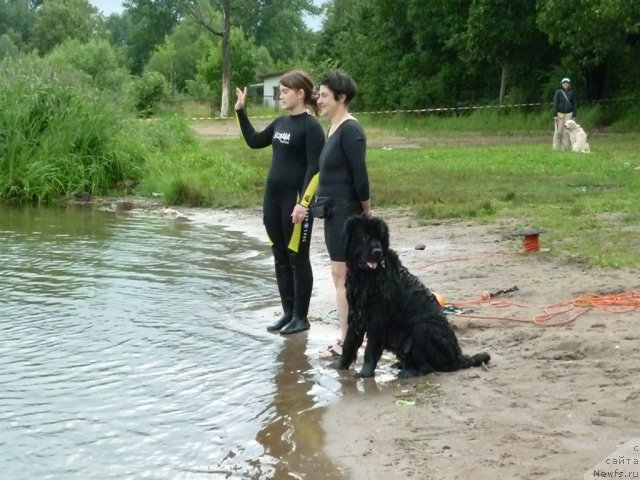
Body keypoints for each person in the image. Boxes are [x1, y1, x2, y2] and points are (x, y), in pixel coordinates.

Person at [235, 70, 325, 335]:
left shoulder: (311, 128)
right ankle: (288, 313)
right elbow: (254, 141)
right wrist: (241, 111)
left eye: (285, 91)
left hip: (296, 204)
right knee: (280, 256)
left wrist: (304, 204)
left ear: (301, 94)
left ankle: (301, 317)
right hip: (272, 202)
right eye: (280, 91)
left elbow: (315, 169)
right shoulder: (279, 123)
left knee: (298, 258)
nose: (280, 95)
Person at [292, 70, 371, 359]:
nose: (319, 100)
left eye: (324, 95)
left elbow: (360, 178)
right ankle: (350, 337)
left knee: (342, 275)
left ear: (342, 97)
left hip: (348, 214)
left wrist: (366, 215)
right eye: (319, 95)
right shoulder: (333, 127)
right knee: (342, 275)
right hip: (333, 212)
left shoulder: (350, 130)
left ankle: (346, 341)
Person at [552, 77, 577, 150]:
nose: (565, 84)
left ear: (569, 84)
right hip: (560, 114)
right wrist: (555, 115)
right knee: (558, 131)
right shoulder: (558, 92)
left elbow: (574, 104)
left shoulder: (572, 92)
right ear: (561, 84)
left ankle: (565, 147)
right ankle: (556, 147)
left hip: (569, 114)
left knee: (566, 132)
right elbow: (555, 104)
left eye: (567, 83)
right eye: (564, 83)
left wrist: (574, 114)